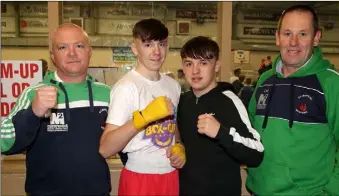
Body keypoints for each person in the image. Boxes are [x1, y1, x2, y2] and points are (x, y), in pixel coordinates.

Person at [1, 23, 111, 195]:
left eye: (79, 46)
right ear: (53, 55)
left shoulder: (107, 94)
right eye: (63, 47)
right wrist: (33, 112)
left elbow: (126, 144)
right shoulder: (33, 94)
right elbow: (4, 143)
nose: (72, 53)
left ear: (89, 51)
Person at [246, 5, 339, 196]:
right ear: (277, 37)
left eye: (303, 34)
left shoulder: (332, 84)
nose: (293, 42)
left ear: (316, 38)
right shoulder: (265, 80)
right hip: (259, 190)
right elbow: (249, 131)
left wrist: (332, 191)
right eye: (287, 33)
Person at [99, 18, 186, 196]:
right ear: (134, 49)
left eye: (161, 44)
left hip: (170, 175)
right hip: (140, 177)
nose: (156, 51)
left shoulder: (173, 86)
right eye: (148, 44)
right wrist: (144, 117)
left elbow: (173, 128)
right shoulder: (126, 87)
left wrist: (179, 146)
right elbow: (105, 148)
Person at [177, 36, 264, 196]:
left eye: (203, 63)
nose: (195, 71)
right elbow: (182, 140)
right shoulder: (183, 101)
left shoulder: (230, 102)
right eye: (189, 64)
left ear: (217, 66)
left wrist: (221, 133)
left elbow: (257, 154)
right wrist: (178, 147)